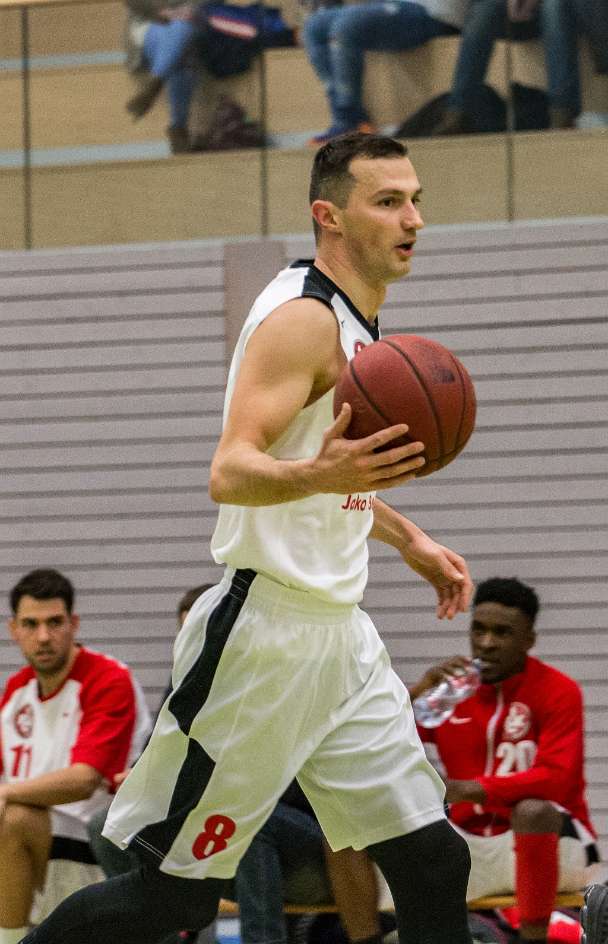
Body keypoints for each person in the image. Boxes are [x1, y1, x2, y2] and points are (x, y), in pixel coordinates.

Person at [19, 131, 476, 944]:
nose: (412, 219)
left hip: (341, 640)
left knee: (433, 860)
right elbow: (232, 470)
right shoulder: (302, 320)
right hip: (261, 640)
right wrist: (324, 479)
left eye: (416, 201)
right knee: (172, 899)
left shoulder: (360, 324)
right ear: (327, 216)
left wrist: (407, 538)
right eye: (388, 201)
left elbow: (325, 467)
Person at [409, 577, 599, 944]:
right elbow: (385, 741)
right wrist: (415, 692)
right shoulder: (454, 692)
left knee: (532, 809)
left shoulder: (558, 690)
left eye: (502, 633)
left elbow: (556, 779)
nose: (486, 644)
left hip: (558, 845)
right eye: (478, 630)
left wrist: (470, 789)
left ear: (528, 640)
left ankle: (534, 939)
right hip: (473, 844)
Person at [0, 568, 151, 944]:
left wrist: (6, 793)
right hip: (43, 847)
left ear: (74, 623)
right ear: (13, 629)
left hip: (104, 847)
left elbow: (83, 781)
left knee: (15, 817)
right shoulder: (16, 691)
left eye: (55, 622)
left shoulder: (108, 679)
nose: (44, 637)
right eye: (31, 624)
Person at [302, 0, 468, 143]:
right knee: (313, 27)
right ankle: (351, 119)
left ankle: (348, 120)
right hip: (394, 8)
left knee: (347, 26)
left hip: (434, 14)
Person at [432, 0, 586, 134]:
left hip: (560, 10)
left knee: (555, 7)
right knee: (483, 11)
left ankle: (562, 114)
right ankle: (458, 114)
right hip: (509, 10)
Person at [125, 0, 203, 152]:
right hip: (151, 24)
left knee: (183, 28)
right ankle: (178, 127)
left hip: (195, 22)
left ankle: (153, 86)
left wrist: (189, 10)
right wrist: (160, 12)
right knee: (181, 42)